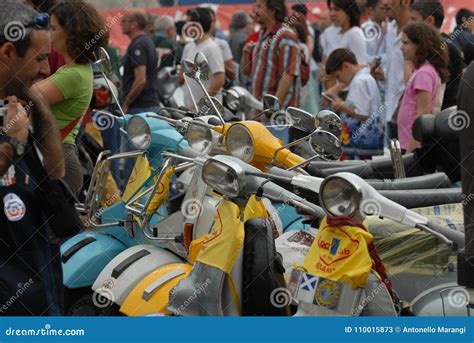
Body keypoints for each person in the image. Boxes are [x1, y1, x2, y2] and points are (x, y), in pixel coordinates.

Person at [0, 2, 65, 315]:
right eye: (40, 59)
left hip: (41, 279)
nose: (47, 70)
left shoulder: (18, 103)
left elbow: (55, 171)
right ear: (8, 53)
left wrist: (39, 103)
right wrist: (14, 141)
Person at [34, 1, 107, 195]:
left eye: (54, 28)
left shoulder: (73, 75)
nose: (50, 33)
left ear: (71, 32)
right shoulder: (72, 69)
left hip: (59, 160)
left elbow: (27, 94)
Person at [397, 22, 449, 153]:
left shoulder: (424, 73)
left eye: (406, 43)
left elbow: (423, 116)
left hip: (413, 146)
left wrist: (410, 151)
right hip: (409, 143)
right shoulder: (422, 70)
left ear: (419, 45)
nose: (401, 48)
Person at [240, 0, 301, 108]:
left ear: (272, 10)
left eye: (259, 6)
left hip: (278, 118)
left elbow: (288, 75)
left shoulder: (285, 35)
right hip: (260, 110)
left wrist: (273, 109)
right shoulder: (262, 35)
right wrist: (245, 54)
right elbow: (246, 72)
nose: (254, 10)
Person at [325, 49, 384, 158]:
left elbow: (362, 114)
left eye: (338, 76)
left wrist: (341, 106)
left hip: (362, 143)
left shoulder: (359, 81)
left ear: (346, 66)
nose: (339, 81)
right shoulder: (366, 78)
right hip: (371, 141)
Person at [409, 1, 464, 110]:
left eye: (414, 20)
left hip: (437, 116)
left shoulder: (447, 50)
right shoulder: (423, 47)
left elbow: (448, 93)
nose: (410, 24)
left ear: (429, 20)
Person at [372, 0, 413, 142]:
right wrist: (382, 74)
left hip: (406, 110)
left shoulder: (415, 33)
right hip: (388, 109)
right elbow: (393, 68)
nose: (385, 2)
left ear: (406, 2)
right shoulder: (389, 29)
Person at [179, 7, 225, 110]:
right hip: (190, 110)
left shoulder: (211, 47)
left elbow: (219, 79)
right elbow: (183, 75)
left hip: (208, 113)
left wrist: (202, 105)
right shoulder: (189, 46)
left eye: (188, 23)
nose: (185, 27)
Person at [120, 10, 160, 115]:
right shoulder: (146, 41)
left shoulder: (138, 44)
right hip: (149, 106)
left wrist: (126, 103)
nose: (121, 24)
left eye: (124, 21)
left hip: (140, 108)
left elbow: (141, 80)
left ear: (134, 24)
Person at [206, 8, 236, 83]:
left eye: (212, 21)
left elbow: (233, 75)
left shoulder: (222, 44)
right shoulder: (190, 46)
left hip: (217, 91)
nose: (211, 24)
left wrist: (219, 63)